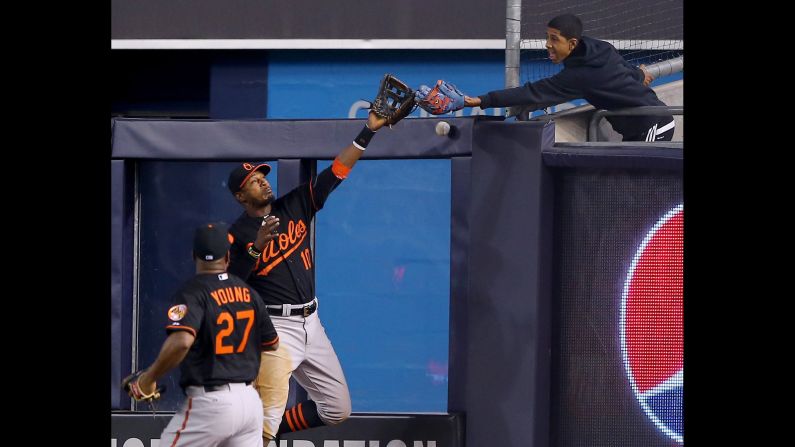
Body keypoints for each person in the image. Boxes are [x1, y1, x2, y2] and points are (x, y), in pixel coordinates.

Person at [226, 110, 392, 443]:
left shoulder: (294, 205)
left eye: (263, 176)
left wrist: (367, 131)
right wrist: (256, 248)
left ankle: (261, 429)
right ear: (241, 197)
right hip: (276, 331)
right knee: (263, 425)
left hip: (311, 323)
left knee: (337, 408)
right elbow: (232, 285)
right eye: (254, 182)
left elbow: (336, 173)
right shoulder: (238, 233)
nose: (262, 181)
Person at [123, 223, 280, 447]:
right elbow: (271, 344)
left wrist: (148, 378)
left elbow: (182, 342)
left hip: (212, 403)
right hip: (250, 403)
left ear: (193, 255)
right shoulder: (250, 293)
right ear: (228, 256)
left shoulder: (193, 292)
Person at [461, 13, 675, 142]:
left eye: (554, 39)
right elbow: (623, 73)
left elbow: (531, 92)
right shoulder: (600, 48)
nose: (547, 44)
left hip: (653, 125)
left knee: (643, 192)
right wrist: (639, 74)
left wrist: (481, 100)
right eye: (547, 37)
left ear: (572, 44)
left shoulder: (579, 76)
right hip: (646, 122)